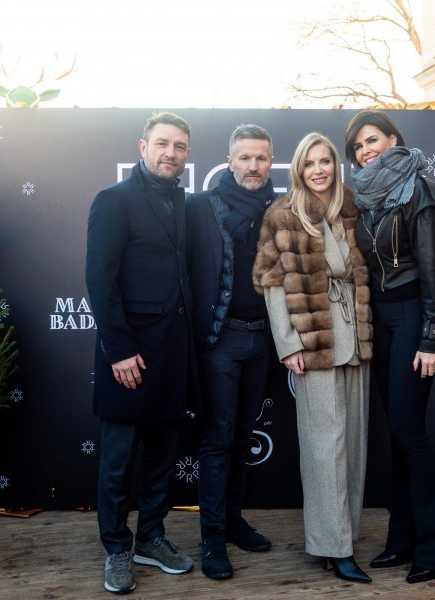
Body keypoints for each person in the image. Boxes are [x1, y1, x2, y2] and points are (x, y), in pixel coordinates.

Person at [253, 132, 373, 583]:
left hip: (356, 339)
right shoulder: (283, 214)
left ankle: (343, 536)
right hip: (313, 341)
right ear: (298, 169)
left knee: (354, 445)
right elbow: (272, 284)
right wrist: (288, 344)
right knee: (326, 447)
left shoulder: (350, 209)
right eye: (310, 163)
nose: (319, 170)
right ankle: (332, 546)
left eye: (326, 162)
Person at [343, 110, 435, 584]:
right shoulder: (364, 198)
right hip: (381, 320)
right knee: (394, 433)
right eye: (358, 147)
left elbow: (433, 271)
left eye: (372, 140)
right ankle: (401, 539)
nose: (365, 151)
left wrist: (432, 337)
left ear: (394, 138)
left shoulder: (420, 190)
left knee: (409, 431)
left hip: (413, 316)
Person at [85, 112, 196, 594]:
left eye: (181, 146)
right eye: (163, 144)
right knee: (118, 461)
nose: (172, 153)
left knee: (161, 457)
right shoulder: (113, 201)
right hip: (127, 356)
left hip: (172, 353)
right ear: (143, 146)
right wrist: (120, 351)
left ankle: (151, 537)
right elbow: (100, 281)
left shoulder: (185, 205)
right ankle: (116, 547)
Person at [186, 124, 276, 580]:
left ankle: (235, 522)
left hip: (262, 339)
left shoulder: (281, 210)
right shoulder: (200, 207)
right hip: (219, 341)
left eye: (261, 158)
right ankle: (212, 536)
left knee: (243, 437)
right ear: (229, 160)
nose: (253, 166)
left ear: (270, 162)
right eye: (245, 157)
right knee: (218, 440)